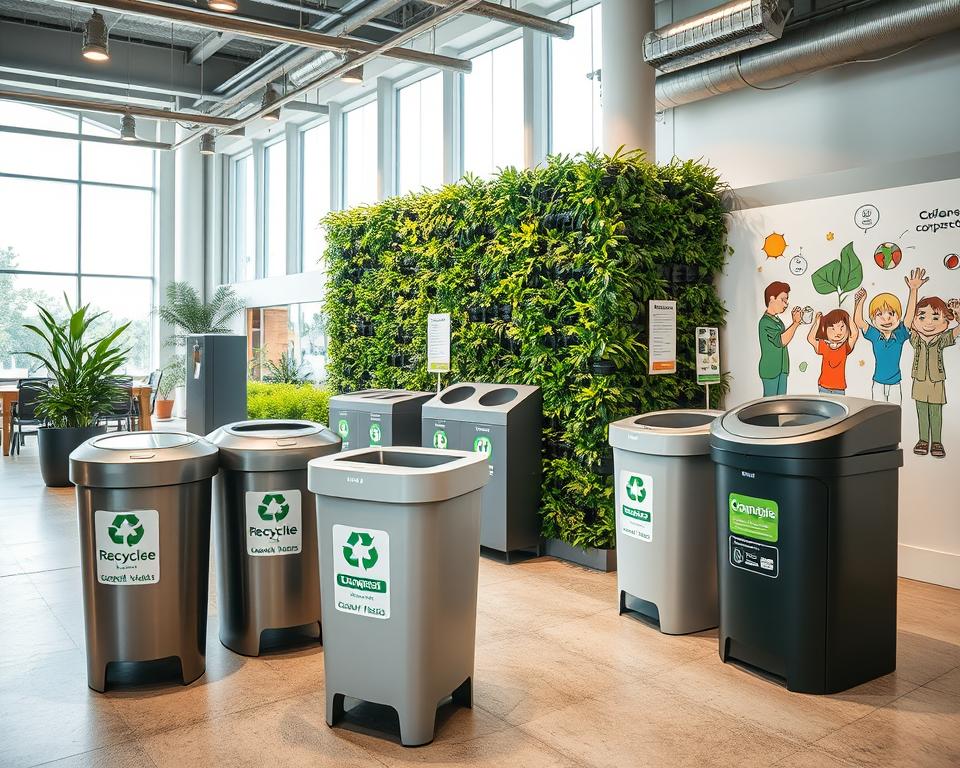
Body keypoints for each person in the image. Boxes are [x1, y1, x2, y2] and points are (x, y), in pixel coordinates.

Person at [853, 268, 926, 403]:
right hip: (878, 383)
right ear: (873, 319)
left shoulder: (900, 334)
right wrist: (860, 301)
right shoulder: (874, 335)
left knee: (894, 413)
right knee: (878, 414)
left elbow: (909, 316)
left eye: (891, 314)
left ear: (898, 317)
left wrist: (914, 290)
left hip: (895, 384)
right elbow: (858, 321)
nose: (886, 319)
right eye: (879, 315)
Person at [909, 296, 960, 458]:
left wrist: (957, 313)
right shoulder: (915, 338)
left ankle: (937, 442)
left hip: (937, 380)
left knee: (936, 411)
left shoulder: (941, 339)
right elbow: (907, 321)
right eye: (922, 317)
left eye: (936, 317)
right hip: (919, 379)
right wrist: (913, 291)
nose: (929, 323)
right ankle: (923, 440)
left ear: (945, 321)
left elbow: (956, 332)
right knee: (921, 410)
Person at [758, 281, 803, 396]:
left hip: (782, 368)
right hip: (771, 369)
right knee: (770, 404)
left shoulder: (777, 321)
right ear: (772, 298)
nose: (786, 304)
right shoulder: (765, 322)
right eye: (783, 300)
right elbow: (781, 341)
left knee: (781, 403)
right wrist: (796, 323)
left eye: (786, 300)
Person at [807, 307, 859, 395]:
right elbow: (811, 338)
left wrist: (847, 317)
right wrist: (817, 323)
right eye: (833, 328)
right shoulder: (824, 345)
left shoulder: (845, 347)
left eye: (842, 327)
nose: (838, 332)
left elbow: (854, 334)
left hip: (839, 388)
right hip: (824, 387)